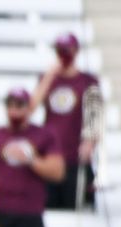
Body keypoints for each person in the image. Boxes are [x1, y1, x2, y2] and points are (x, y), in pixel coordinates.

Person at [0, 87, 65, 227]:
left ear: (29, 107)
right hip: (1, 212)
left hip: (30, 213)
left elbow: (58, 172)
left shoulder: (43, 135)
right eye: (10, 104)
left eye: (19, 104)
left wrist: (31, 159)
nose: (14, 110)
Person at [30, 32, 101, 210]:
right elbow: (30, 108)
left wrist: (90, 142)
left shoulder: (87, 81)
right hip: (52, 154)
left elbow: (95, 114)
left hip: (74, 153)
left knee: (75, 202)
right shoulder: (48, 79)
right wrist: (49, 76)